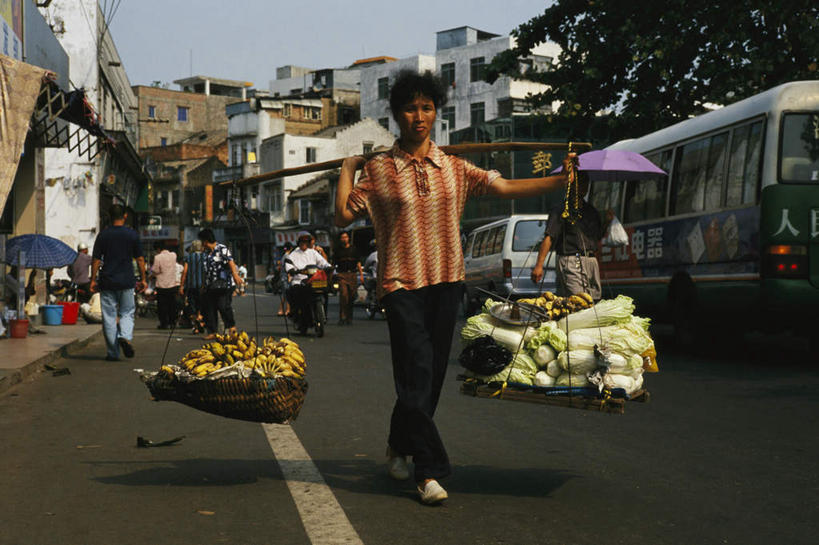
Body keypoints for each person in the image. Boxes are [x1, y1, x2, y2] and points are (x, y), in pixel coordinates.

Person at [334, 69, 570, 505]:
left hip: (447, 282)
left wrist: (561, 181)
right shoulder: (380, 169)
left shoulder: (454, 167)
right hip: (400, 282)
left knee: (428, 376)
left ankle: (398, 443)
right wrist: (349, 168)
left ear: (436, 113)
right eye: (410, 108)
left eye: (426, 108)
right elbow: (344, 216)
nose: (418, 116)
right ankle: (430, 471)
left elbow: (504, 186)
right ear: (397, 114)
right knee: (418, 368)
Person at [530, 171, 611, 301]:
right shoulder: (561, 210)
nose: (584, 186)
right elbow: (549, 237)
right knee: (576, 301)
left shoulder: (591, 211)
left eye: (586, 183)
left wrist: (607, 221)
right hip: (571, 260)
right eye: (581, 182)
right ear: (571, 185)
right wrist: (539, 265)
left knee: (593, 300)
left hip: (590, 261)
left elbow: (597, 237)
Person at [90, 204, 146, 361]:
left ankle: (113, 353)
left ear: (109, 216)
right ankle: (125, 336)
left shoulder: (103, 235)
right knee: (127, 312)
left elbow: (96, 260)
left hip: (107, 280)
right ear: (125, 216)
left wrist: (93, 280)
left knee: (109, 316)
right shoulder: (132, 235)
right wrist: (143, 279)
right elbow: (140, 259)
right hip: (127, 281)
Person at [198, 228, 243, 339]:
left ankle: (231, 327)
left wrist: (235, 275)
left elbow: (230, 262)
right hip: (210, 285)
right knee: (210, 308)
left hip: (224, 284)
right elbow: (205, 270)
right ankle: (212, 331)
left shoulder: (222, 249)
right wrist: (203, 285)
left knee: (223, 306)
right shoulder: (206, 253)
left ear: (205, 240)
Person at [285, 231, 330, 331]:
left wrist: (328, 267)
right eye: (302, 241)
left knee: (325, 290)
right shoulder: (293, 254)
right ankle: (298, 316)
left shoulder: (313, 252)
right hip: (299, 280)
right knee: (296, 294)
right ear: (298, 242)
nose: (304, 244)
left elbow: (323, 262)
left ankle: (323, 315)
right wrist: (292, 270)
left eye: (306, 241)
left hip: (313, 280)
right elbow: (288, 264)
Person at [333, 231, 363, 325]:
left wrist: (361, 275)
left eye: (346, 237)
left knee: (351, 296)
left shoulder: (354, 249)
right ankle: (342, 317)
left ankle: (349, 317)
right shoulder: (337, 250)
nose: (344, 239)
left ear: (348, 238)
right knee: (344, 295)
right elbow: (333, 263)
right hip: (342, 274)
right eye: (342, 237)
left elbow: (358, 262)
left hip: (352, 274)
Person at [150, 241, 179, 329]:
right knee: (172, 305)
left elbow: (155, 270)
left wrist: (151, 275)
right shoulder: (174, 255)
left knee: (162, 306)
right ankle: (172, 322)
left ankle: (164, 323)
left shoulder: (157, 257)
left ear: (158, 249)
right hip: (172, 284)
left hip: (161, 285)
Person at [180, 240, 207, 334]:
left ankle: (196, 326)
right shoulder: (205, 257)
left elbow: (185, 272)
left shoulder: (188, 257)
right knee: (201, 306)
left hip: (191, 286)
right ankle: (200, 321)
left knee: (192, 306)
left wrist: (181, 286)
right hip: (203, 286)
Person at [277, 242, 293, 316]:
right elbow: (288, 268)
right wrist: (289, 277)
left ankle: (281, 310)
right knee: (288, 294)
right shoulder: (288, 256)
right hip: (286, 277)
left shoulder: (283, 256)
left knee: (285, 295)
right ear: (291, 248)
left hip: (283, 277)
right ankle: (287, 310)